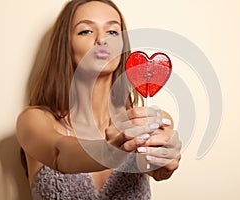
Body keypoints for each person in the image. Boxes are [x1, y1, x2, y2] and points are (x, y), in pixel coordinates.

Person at [16, 0, 181, 199]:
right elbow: (59, 153)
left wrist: (165, 165)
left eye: (112, 32)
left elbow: (159, 169)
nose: (102, 40)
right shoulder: (34, 121)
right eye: (86, 31)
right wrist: (111, 149)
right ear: (65, 44)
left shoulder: (147, 122)